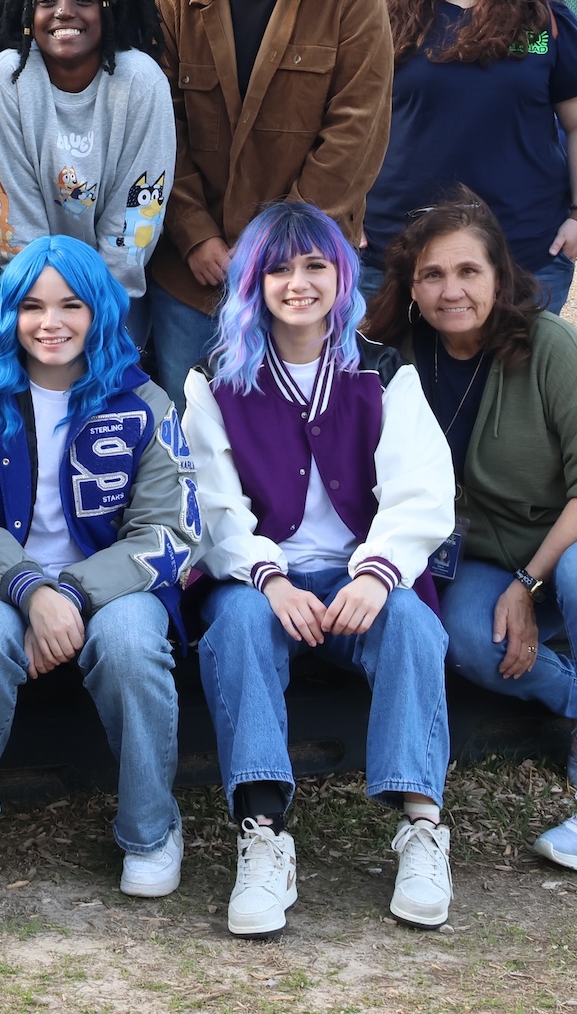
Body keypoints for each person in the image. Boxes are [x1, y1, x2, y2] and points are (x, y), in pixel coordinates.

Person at [360, 192, 577, 874]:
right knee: (462, 635)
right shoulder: (396, 356)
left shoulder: (552, 345)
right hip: (488, 553)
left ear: (500, 275)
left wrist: (528, 585)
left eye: (469, 271)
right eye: (433, 275)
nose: (452, 290)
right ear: (412, 285)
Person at [179, 201, 456, 936]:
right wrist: (269, 577)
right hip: (259, 582)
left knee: (413, 629)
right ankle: (263, 835)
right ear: (252, 282)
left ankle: (423, 828)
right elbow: (210, 506)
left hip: (361, 578)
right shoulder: (214, 382)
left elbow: (422, 489)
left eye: (313, 266)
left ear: (341, 274)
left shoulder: (382, 371)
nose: (297, 283)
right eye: (278, 269)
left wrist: (378, 571)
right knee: (235, 626)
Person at [0, 237, 198, 896]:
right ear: (8, 313)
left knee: (131, 643)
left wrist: (65, 593)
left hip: (110, 584)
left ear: (100, 310)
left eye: (71, 304)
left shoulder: (142, 402)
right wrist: (30, 589)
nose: (51, 323)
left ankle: (151, 828)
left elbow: (172, 532)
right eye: (32, 306)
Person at [149, 0, 394, 405]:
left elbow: (357, 127)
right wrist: (195, 234)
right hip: (194, 273)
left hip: (301, 272)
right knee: (192, 432)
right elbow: (162, 129)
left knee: (296, 435)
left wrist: (278, 248)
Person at [363, 0, 577, 313]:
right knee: (399, 383)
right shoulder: (380, 18)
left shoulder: (543, 22)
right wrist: (342, 214)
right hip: (393, 255)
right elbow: (346, 119)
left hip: (523, 255)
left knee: (508, 382)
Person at [0, 0, 173, 330]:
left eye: (84, 0)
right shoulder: (8, 78)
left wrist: (97, 303)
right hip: (32, 294)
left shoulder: (141, 80)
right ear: (28, 12)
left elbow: (137, 206)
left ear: (106, 8)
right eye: (47, 1)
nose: (64, 11)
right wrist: (45, 300)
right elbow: (13, 200)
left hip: (113, 295)